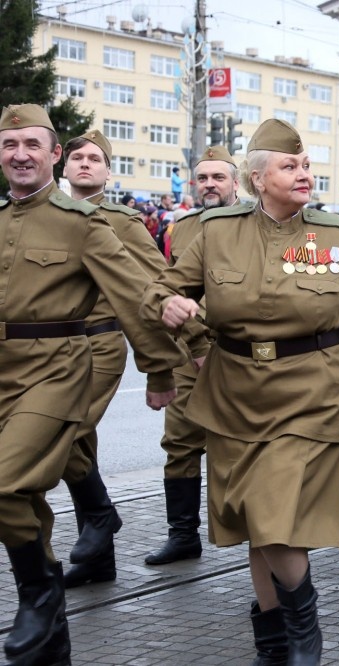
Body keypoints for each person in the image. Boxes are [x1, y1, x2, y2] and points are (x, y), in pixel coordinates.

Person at [141, 119, 339, 664]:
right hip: (233, 394)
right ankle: (271, 640)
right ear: (257, 177)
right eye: (290, 166)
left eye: (307, 165)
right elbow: (161, 289)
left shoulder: (334, 238)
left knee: (271, 515)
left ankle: (303, 620)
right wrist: (167, 306)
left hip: (312, 392)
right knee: (253, 521)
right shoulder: (216, 233)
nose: (303, 174)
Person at [0, 103, 181, 665]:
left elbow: (135, 291)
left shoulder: (84, 223)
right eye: (10, 145)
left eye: (33, 145)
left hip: (56, 369)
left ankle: (38, 590)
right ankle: (52, 637)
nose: (20, 155)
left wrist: (159, 367)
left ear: (53, 154)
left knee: (5, 484)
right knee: (22, 493)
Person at [55, 130, 186, 589]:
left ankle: (101, 516)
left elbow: (152, 290)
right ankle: (99, 560)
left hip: (100, 342)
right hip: (51, 348)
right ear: (63, 166)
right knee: (80, 443)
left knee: (61, 432)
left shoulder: (123, 221)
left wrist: (168, 363)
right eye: (77, 158)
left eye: (96, 158)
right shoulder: (50, 215)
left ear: (108, 172)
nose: (85, 164)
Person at [144, 145, 240, 566]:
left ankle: (258, 542)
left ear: (237, 183)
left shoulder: (252, 225)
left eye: (219, 177)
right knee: (180, 443)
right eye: (202, 178)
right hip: (189, 353)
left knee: (242, 447)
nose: (209, 185)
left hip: (238, 353)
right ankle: (183, 535)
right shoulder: (180, 228)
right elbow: (168, 288)